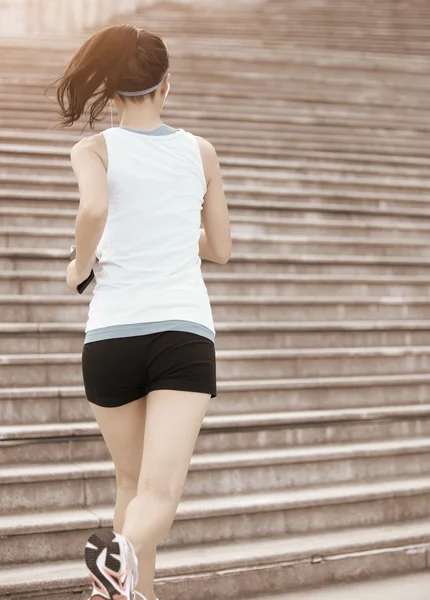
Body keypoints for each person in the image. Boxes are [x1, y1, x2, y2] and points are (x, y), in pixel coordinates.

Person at [54, 23, 232, 600]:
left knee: (130, 483)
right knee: (159, 492)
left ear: (113, 86)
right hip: (181, 332)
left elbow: (94, 209)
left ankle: (135, 592)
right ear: (166, 85)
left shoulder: (94, 148)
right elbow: (222, 249)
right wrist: (182, 237)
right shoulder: (200, 151)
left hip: (110, 335)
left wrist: (79, 266)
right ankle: (118, 563)